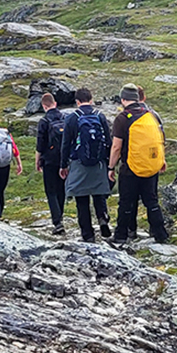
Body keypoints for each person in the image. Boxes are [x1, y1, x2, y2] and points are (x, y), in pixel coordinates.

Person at [109, 83, 170, 245]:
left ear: (123, 99)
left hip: (129, 169)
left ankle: (122, 235)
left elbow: (116, 147)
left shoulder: (122, 119)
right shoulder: (152, 115)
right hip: (151, 167)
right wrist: (161, 160)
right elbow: (160, 139)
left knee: (126, 202)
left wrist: (111, 167)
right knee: (151, 201)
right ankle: (160, 233)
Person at [60, 87, 114, 242]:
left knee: (81, 199)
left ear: (77, 102)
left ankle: (87, 234)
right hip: (99, 163)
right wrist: (110, 164)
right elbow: (108, 142)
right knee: (98, 194)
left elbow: (65, 144)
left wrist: (63, 165)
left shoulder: (71, 118)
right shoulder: (100, 116)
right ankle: (102, 217)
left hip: (78, 163)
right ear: (91, 99)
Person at [35, 92, 67, 234]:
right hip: (63, 159)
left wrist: (38, 160)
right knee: (61, 189)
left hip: (49, 160)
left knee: (51, 191)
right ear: (55, 103)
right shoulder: (64, 118)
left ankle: (57, 221)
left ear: (44, 106)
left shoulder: (44, 121)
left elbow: (40, 144)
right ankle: (60, 215)